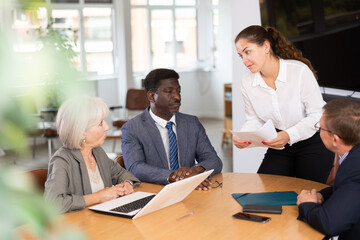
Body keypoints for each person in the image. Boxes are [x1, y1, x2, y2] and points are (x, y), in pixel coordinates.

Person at [233, 25, 333, 183]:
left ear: (266, 46)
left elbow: (317, 114)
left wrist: (288, 135)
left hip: (312, 142)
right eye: (241, 56)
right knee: (264, 192)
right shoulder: (247, 81)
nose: (245, 60)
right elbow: (253, 119)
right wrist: (244, 136)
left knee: (305, 196)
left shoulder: (299, 71)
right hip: (280, 146)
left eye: (247, 52)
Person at [121, 68, 223, 190]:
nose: (177, 97)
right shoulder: (132, 128)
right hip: (155, 194)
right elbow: (135, 168)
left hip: (191, 192)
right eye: (169, 92)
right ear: (151, 96)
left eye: (178, 92)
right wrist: (173, 177)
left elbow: (214, 160)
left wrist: (195, 171)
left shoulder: (192, 123)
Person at [44, 96, 140, 213]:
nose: (107, 127)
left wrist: (127, 184)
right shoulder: (62, 160)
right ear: (82, 132)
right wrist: (98, 197)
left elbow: (122, 174)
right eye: (100, 123)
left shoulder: (97, 152)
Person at [297, 99, 360, 239]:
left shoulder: (355, 169)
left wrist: (306, 204)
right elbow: (348, 190)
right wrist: (322, 196)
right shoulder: (354, 156)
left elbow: (330, 224)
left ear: (335, 139)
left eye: (320, 128)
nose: (319, 131)